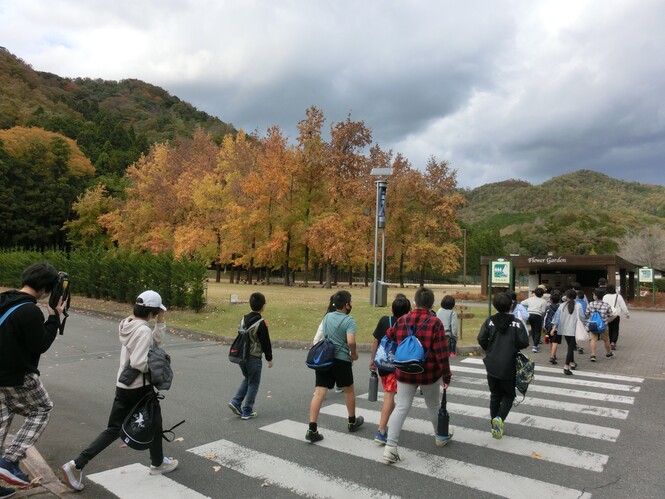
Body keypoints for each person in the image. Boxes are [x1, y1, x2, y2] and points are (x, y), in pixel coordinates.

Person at [61, 291, 177, 491]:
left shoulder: (130, 324)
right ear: (152, 310)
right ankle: (77, 464)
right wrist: (158, 368)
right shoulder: (142, 331)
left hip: (123, 385)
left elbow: (154, 343)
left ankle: (157, 462)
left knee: (127, 426)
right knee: (151, 420)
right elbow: (140, 361)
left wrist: (160, 321)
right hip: (138, 387)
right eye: (158, 311)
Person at [0, 262, 64, 490]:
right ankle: (8, 461)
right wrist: (54, 318)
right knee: (42, 409)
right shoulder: (29, 311)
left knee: (4, 416)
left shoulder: (4, 300)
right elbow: (40, 344)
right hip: (18, 376)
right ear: (45, 288)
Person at [382, 287, 452, 464]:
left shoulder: (402, 319)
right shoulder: (435, 323)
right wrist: (446, 375)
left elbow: (389, 335)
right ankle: (440, 436)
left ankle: (390, 447)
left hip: (404, 371)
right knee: (434, 405)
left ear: (414, 302)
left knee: (402, 406)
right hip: (429, 373)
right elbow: (442, 353)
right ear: (432, 304)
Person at [306, 291, 363, 443]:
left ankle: (312, 428)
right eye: (350, 301)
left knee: (319, 393)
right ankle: (352, 421)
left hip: (326, 359)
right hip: (342, 360)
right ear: (346, 305)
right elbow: (351, 341)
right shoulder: (349, 320)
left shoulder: (327, 317)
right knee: (349, 390)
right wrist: (354, 353)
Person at [477, 293, 529, 439]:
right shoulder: (517, 323)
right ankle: (499, 418)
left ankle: (494, 426)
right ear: (511, 305)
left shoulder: (490, 321)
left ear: (494, 305)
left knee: (495, 395)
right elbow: (524, 342)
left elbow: (481, 338)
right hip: (508, 364)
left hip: (492, 364)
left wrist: (490, 349)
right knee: (509, 395)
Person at [369, 294, 411, 445]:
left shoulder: (384, 320)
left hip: (383, 364)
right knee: (389, 396)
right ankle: (381, 431)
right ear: (408, 311)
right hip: (399, 365)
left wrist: (372, 359)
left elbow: (376, 340)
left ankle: (391, 421)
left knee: (390, 395)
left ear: (392, 309)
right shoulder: (407, 325)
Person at [228, 292, 273, 420]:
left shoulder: (243, 319)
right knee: (253, 382)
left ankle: (236, 402)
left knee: (248, 378)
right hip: (254, 357)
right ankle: (247, 410)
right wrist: (269, 358)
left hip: (241, 356)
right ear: (263, 306)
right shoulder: (261, 322)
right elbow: (265, 342)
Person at [551, 289, 586, 375]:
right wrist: (585, 325)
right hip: (574, 330)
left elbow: (557, 318)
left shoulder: (562, 305)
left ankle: (573, 363)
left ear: (567, 296)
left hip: (563, 329)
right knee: (570, 348)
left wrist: (553, 328)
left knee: (570, 346)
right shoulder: (578, 305)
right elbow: (582, 317)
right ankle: (566, 366)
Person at [586, 288, 614, 362]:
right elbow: (611, 314)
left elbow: (586, 314)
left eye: (594, 295)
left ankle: (593, 355)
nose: (593, 296)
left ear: (596, 296)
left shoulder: (590, 304)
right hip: (603, 325)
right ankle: (608, 353)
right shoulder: (606, 305)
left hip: (593, 324)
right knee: (605, 339)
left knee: (593, 339)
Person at [602, 284, 629, 351]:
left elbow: (603, 305)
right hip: (616, 315)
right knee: (615, 329)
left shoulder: (605, 296)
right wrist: (626, 314)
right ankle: (613, 342)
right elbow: (623, 306)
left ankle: (611, 341)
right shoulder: (618, 296)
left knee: (610, 329)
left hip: (608, 315)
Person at [521, 288, 548, 353]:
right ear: (542, 294)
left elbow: (522, 302)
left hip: (529, 315)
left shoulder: (530, 299)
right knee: (538, 331)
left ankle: (534, 344)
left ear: (535, 293)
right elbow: (543, 311)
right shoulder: (544, 301)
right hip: (537, 316)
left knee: (533, 330)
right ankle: (535, 347)